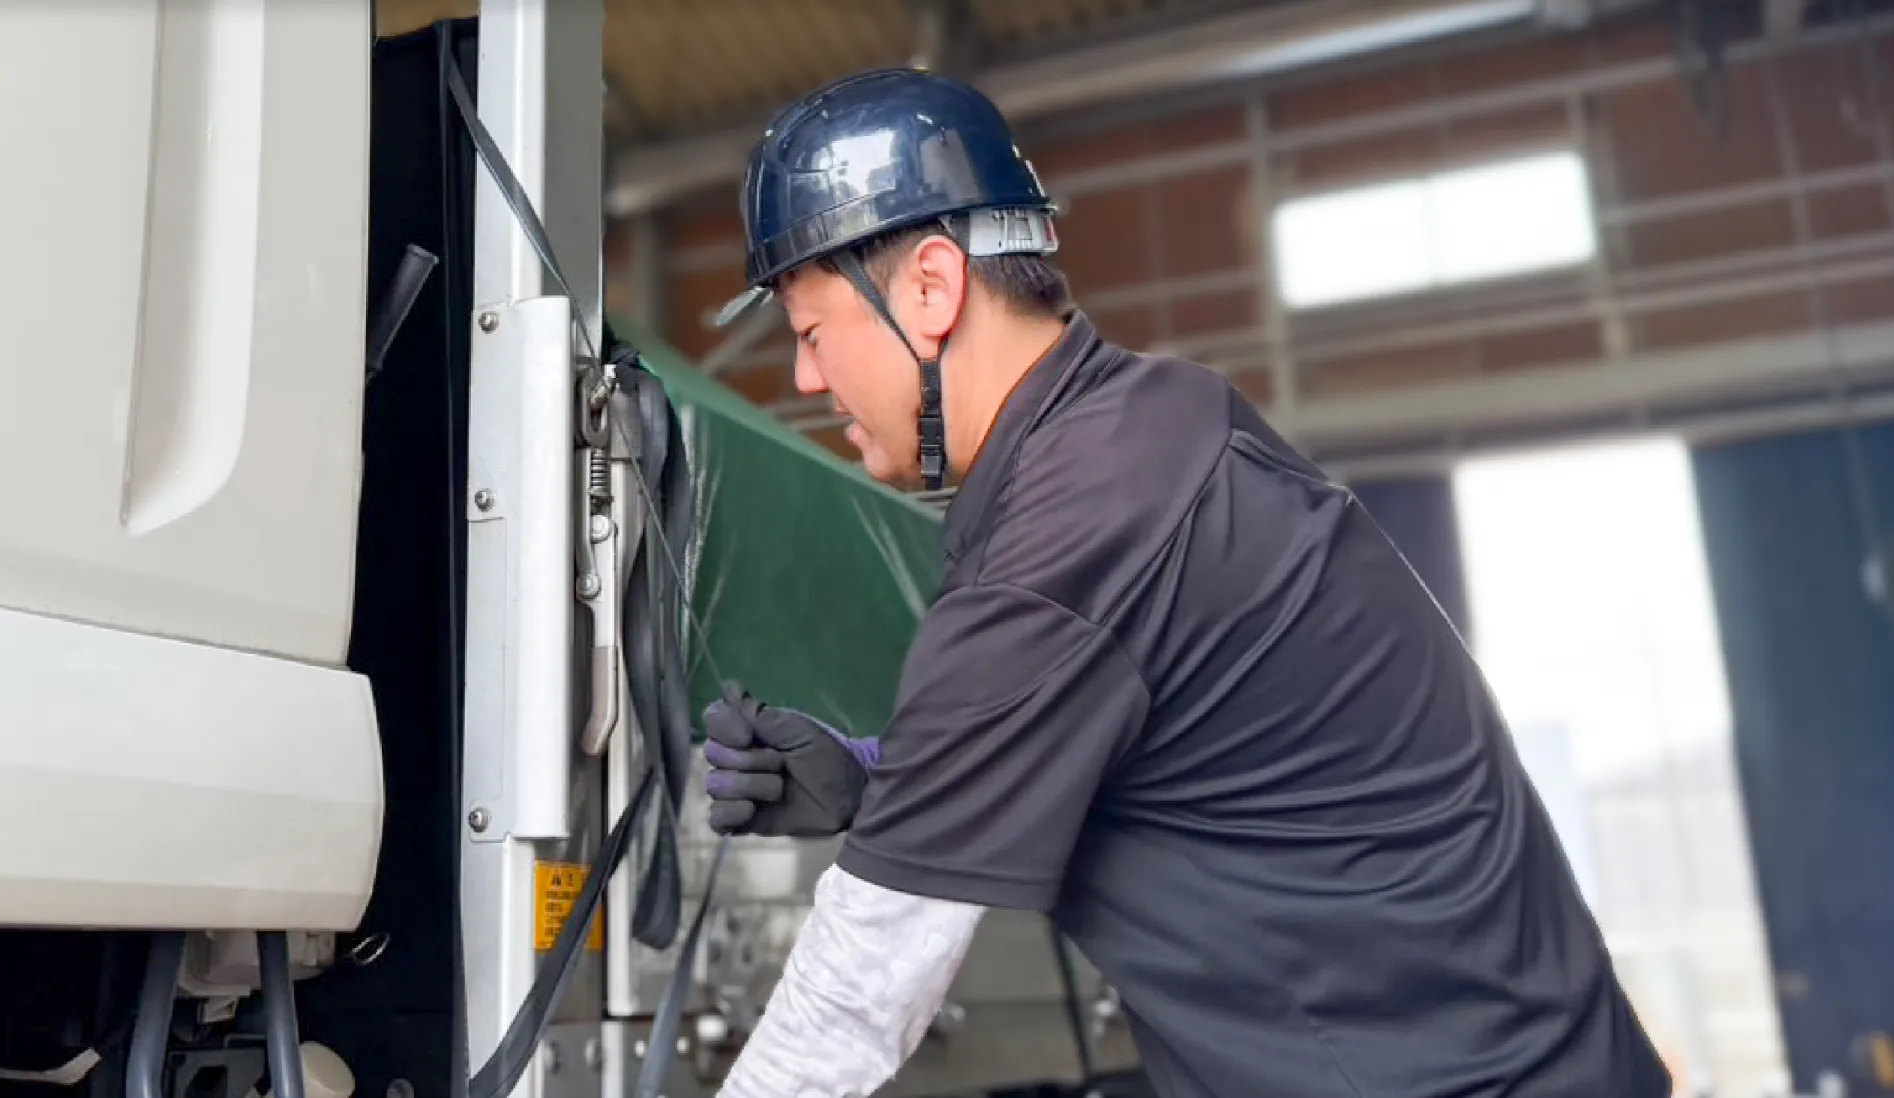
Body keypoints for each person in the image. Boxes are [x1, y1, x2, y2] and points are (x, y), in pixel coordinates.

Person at [695, 67, 1671, 1098]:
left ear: (931, 289)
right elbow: (1197, 738)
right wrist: (886, 776)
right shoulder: (1152, 427)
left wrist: (908, 806)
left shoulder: (1078, 523)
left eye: (811, 334)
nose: (806, 380)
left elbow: (855, 1001)